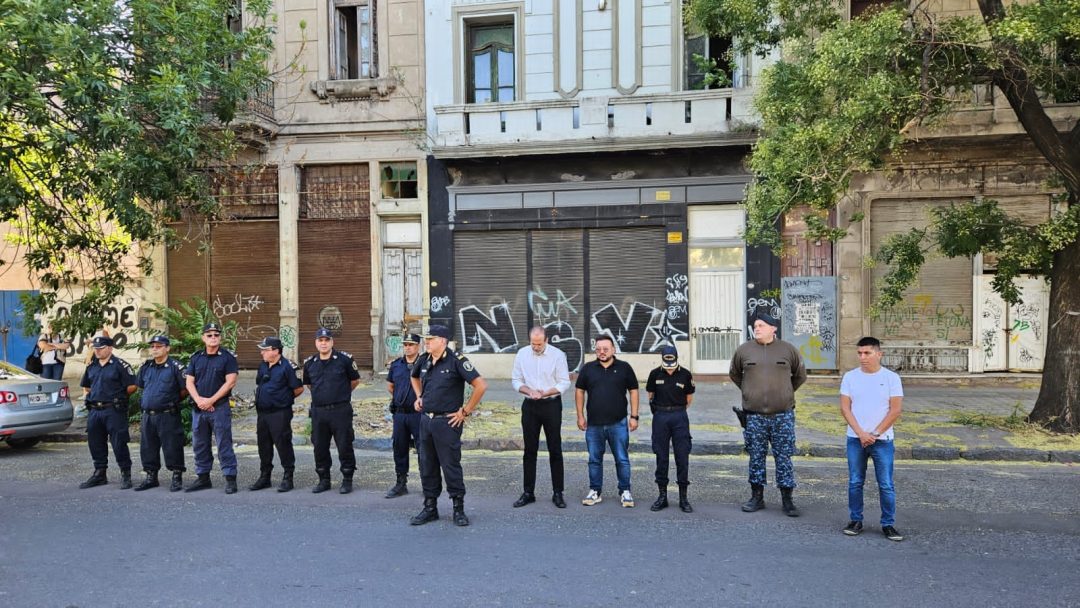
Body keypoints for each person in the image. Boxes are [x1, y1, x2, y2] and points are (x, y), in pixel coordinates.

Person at [409, 324, 488, 527]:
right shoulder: (424, 359)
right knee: (427, 465)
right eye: (426, 339)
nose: (427, 342)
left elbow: (480, 385)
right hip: (426, 420)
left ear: (443, 341)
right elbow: (414, 376)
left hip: (447, 422)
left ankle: (458, 509)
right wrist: (419, 397)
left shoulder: (457, 361)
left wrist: (465, 411)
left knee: (450, 465)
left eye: (431, 339)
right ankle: (430, 507)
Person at [729, 313, 807, 516]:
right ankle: (757, 497)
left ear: (773, 328)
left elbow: (800, 376)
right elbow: (735, 374)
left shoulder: (788, 350)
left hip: (782, 415)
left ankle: (787, 500)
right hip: (754, 417)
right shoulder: (744, 350)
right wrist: (749, 391)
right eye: (755, 325)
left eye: (761, 325)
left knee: (784, 457)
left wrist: (784, 392)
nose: (757, 328)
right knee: (755, 457)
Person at [840, 336, 905, 542]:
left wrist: (875, 434)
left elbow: (895, 410)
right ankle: (855, 520)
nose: (862, 357)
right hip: (855, 439)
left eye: (867, 353)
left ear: (879, 354)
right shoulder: (850, 377)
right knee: (855, 482)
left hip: (882, 440)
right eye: (859, 353)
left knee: (885, 483)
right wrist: (860, 433)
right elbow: (845, 408)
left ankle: (888, 523)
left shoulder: (891, 378)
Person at [575, 334, 640, 508]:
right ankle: (595, 491)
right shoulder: (588, 368)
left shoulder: (624, 368)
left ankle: (625, 491)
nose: (601, 352)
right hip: (594, 424)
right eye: (598, 349)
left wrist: (634, 416)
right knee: (594, 459)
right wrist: (580, 416)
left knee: (622, 459)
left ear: (613, 349)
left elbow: (634, 390)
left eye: (605, 349)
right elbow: (579, 391)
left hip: (618, 423)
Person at [511, 326, 571, 509]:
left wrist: (545, 393)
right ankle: (528, 492)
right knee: (530, 450)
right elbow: (516, 380)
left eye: (539, 344)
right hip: (530, 405)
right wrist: (528, 390)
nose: (535, 347)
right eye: (532, 343)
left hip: (551, 404)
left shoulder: (558, 355)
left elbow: (564, 382)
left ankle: (558, 492)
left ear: (546, 340)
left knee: (555, 448)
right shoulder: (522, 354)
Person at [303, 327, 361, 494]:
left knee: (344, 445)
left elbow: (354, 381)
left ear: (332, 342)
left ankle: (347, 479)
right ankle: (324, 479)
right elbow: (309, 385)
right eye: (320, 340)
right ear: (316, 342)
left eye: (326, 340)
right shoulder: (309, 363)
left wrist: (340, 393)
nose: (323, 343)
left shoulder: (345, 360)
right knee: (319, 446)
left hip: (340, 410)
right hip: (319, 412)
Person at [183, 322, 240, 494]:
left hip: (219, 408)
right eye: (209, 335)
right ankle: (203, 478)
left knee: (224, 444)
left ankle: (230, 479)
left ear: (220, 338)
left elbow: (230, 381)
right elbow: (189, 382)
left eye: (216, 335)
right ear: (203, 338)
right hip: (199, 408)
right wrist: (199, 400)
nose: (213, 338)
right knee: (199, 444)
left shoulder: (227, 358)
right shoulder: (196, 357)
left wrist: (211, 401)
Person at [78, 336, 137, 489]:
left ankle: (125, 473)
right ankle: (100, 473)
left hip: (113, 410)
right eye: (95, 348)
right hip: (95, 410)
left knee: (119, 443)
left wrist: (117, 397)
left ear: (110, 348)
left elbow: (132, 386)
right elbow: (88, 386)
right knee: (95, 442)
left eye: (101, 348)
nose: (97, 351)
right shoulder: (92, 366)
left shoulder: (120, 365)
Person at [645, 345, 695, 513]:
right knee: (661, 456)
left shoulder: (685, 374)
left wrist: (677, 411)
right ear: (662, 358)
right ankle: (662, 496)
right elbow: (650, 396)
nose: (669, 363)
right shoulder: (654, 374)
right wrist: (661, 411)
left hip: (679, 416)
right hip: (660, 417)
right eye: (666, 359)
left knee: (682, 456)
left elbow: (689, 398)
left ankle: (683, 498)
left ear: (676, 357)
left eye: (671, 359)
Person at [250, 337, 304, 493]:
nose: (262, 352)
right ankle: (265, 476)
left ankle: (288, 476)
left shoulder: (288, 367)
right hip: (263, 413)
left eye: (265, 350)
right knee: (264, 445)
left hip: (279, 412)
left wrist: (283, 399)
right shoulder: (263, 365)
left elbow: (298, 389)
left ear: (275, 350)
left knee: (283, 444)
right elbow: (259, 382)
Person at [134, 335, 188, 492]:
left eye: (159, 346)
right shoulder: (146, 367)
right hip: (148, 415)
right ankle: (151, 477)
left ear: (167, 348)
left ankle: (176, 476)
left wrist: (171, 401)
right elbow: (141, 386)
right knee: (148, 446)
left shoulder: (176, 367)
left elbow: (185, 389)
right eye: (153, 346)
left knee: (172, 445)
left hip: (167, 414)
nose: (155, 349)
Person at [385, 333, 423, 498]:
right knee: (399, 448)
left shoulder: (425, 364)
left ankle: (427, 483)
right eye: (405, 344)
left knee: (424, 449)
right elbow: (391, 386)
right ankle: (401, 483)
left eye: (411, 345)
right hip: (400, 414)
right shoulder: (396, 365)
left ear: (418, 346)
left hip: (419, 415)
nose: (408, 347)